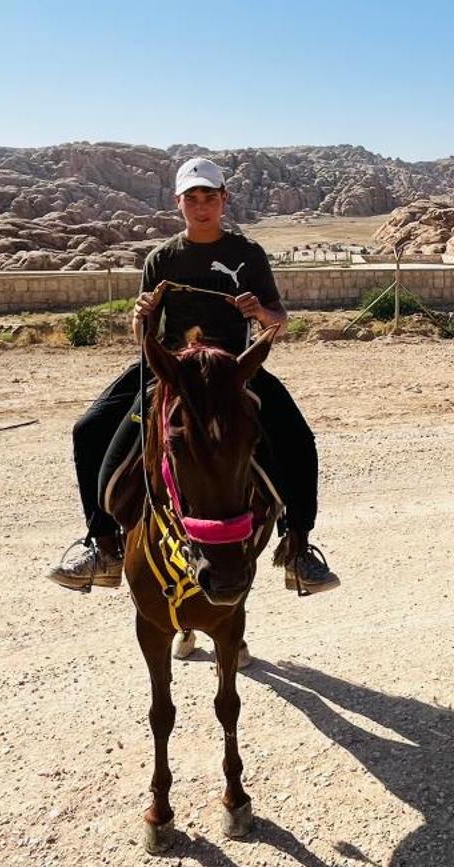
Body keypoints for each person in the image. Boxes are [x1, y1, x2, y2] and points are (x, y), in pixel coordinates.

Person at [47, 157, 339, 595]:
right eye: (192, 199)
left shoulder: (247, 255)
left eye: (209, 198)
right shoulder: (162, 257)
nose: (201, 207)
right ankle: (102, 544)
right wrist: (140, 318)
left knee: (297, 437)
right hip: (172, 369)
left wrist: (260, 311)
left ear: (223, 200)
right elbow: (143, 332)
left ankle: (298, 547)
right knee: (89, 430)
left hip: (234, 369)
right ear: (178, 203)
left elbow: (278, 319)